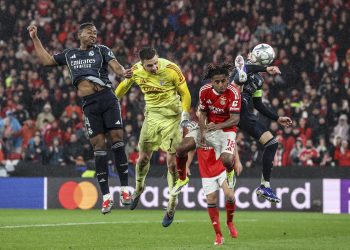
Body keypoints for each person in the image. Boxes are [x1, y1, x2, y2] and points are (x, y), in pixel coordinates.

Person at [28, 22, 133, 214]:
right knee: (99, 147)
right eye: (89, 32)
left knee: (117, 141)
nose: (94, 35)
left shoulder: (102, 50)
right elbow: (47, 61)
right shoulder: (70, 55)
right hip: (90, 105)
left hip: (108, 99)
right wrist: (35, 38)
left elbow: (116, 67)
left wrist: (123, 73)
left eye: (95, 32)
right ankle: (106, 197)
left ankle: (125, 189)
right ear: (80, 34)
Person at [115, 47, 191, 227]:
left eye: (156, 63)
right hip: (151, 118)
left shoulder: (171, 69)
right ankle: (139, 188)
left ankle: (172, 205)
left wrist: (185, 114)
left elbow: (185, 93)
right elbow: (122, 88)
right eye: (150, 65)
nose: (155, 67)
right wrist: (112, 102)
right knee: (142, 159)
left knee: (172, 164)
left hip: (172, 119)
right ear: (142, 64)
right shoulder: (135, 71)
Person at [172, 63, 241, 195]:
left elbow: (235, 120)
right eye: (217, 82)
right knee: (181, 148)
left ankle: (230, 172)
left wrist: (217, 126)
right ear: (212, 82)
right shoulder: (204, 90)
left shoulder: (234, 92)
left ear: (227, 79)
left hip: (226, 130)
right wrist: (203, 131)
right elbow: (202, 113)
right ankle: (182, 179)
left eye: (224, 81)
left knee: (226, 159)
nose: (221, 84)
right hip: (208, 127)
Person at [231, 54, 292, 203]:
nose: (250, 55)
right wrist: (267, 68)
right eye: (251, 53)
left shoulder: (259, 80)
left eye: (254, 53)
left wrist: (277, 118)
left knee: (272, 143)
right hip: (231, 105)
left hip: (243, 111)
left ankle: (265, 186)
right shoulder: (242, 65)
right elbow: (247, 67)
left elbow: (258, 104)